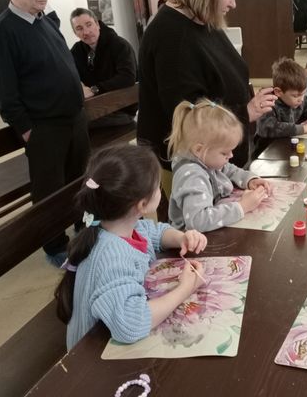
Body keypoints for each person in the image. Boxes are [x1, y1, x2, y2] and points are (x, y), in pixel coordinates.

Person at [137, 0, 276, 176]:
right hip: (191, 167)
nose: (233, 3)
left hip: (219, 157)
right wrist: (245, 112)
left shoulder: (202, 18)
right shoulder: (172, 35)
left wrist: (249, 104)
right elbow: (188, 114)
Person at [0, 0, 89, 267]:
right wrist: (28, 130)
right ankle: (55, 246)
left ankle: (82, 227)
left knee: (79, 179)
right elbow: (3, 91)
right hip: (44, 127)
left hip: (73, 119)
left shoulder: (44, 21)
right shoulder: (2, 32)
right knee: (50, 190)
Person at [54, 144, 207, 350]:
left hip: (106, 335)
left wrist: (182, 238)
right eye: (157, 187)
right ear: (142, 205)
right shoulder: (112, 257)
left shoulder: (119, 226)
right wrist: (185, 288)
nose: (160, 190)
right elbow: (131, 324)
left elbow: (156, 233)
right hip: (91, 353)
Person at [168, 99, 271, 232]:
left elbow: (229, 169)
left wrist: (250, 180)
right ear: (199, 150)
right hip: (188, 240)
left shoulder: (206, 160)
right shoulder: (192, 176)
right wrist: (242, 206)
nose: (231, 156)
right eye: (224, 153)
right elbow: (198, 221)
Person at [70, 7, 137, 126]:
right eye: (79, 28)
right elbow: (69, 74)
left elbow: (127, 77)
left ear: (97, 24)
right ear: (75, 33)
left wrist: (94, 89)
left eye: (89, 24)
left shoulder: (120, 45)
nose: (86, 32)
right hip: (93, 108)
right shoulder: (77, 50)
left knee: (73, 125)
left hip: (121, 110)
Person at [256, 57, 307, 141]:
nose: (301, 99)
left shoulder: (299, 100)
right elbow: (268, 128)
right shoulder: (267, 103)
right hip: (268, 147)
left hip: (287, 143)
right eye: (295, 95)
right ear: (278, 92)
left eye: (303, 94)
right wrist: (306, 128)